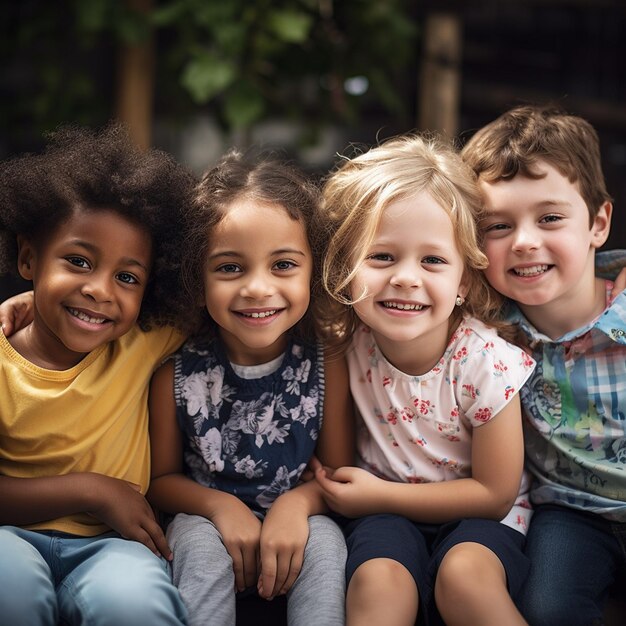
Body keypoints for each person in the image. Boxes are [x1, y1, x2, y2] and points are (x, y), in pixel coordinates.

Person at [314, 133, 536, 626]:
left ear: (464, 281)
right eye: (382, 256)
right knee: (378, 582)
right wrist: (373, 501)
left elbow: (494, 494)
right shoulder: (344, 345)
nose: (406, 277)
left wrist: (380, 494)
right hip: (383, 518)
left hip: (481, 519)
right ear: (347, 267)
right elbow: (335, 463)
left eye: (432, 260)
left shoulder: (486, 363)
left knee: (464, 578)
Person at [145, 150, 354, 626]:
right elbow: (160, 482)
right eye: (230, 268)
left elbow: (338, 474)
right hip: (205, 521)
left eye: (283, 265)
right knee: (197, 547)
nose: (258, 288)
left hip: (299, 517)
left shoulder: (327, 362)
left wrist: (296, 505)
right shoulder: (175, 375)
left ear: (312, 268)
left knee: (326, 542)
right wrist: (219, 508)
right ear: (196, 278)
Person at [0, 124, 194, 626]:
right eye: (78, 261)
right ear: (28, 258)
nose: (99, 290)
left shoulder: (141, 340)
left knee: (135, 603)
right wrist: (94, 490)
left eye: (127, 277)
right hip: (7, 537)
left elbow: (230, 296)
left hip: (114, 548)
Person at [461, 104, 626, 625]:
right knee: (548, 608)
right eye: (498, 226)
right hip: (571, 512)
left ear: (598, 222)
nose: (525, 241)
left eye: (550, 218)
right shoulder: (487, 333)